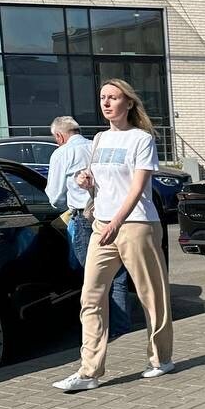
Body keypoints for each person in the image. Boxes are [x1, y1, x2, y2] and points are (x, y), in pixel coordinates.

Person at [52, 81, 174, 393]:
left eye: (114, 97)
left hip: (136, 224)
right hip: (101, 224)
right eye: (103, 97)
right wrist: (87, 181)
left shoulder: (141, 139)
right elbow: (101, 184)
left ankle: (161, 358)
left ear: (128, 103)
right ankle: (89, 371)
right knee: (90, 296)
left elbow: (138, 187)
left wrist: (117, 221)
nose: (106, 103)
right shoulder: (99, 139)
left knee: (151, 296)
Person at [46, 115, 132, 340]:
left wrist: (64, 203)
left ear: (59, 136)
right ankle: (121, 329)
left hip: (84, 219)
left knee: (94, 277)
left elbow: (55, 197)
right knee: (118, 274)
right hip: (110, 215)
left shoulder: (62, 153)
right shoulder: (97, 146)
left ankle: (98, 331)